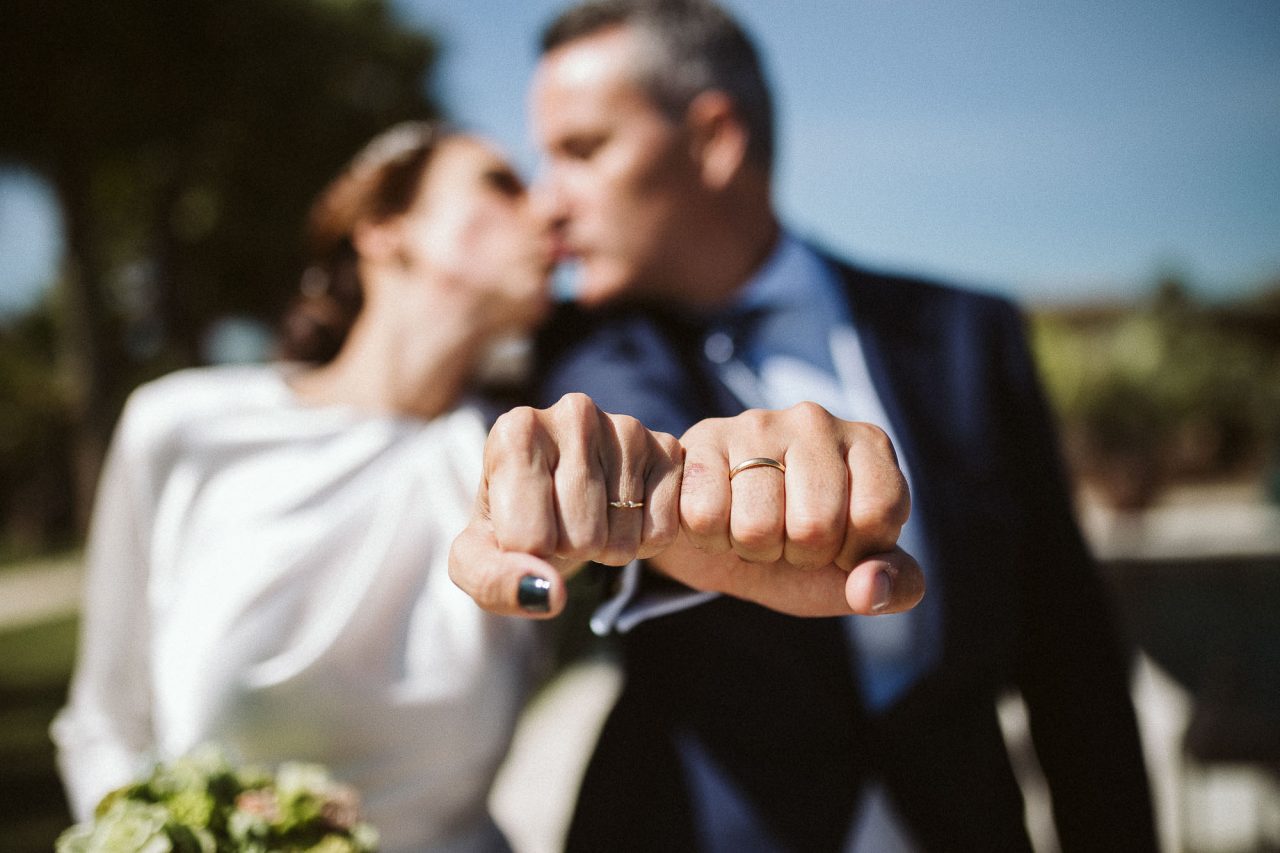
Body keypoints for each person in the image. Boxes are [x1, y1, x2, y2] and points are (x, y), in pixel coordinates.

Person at [51, 119, 923, 851]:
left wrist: (693, 511)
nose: (546, 203)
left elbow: (624, 481)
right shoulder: (184, 426)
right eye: (500, 184)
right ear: (384, 229)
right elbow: (103, 719)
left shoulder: (531, 455)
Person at [452, 1, 1159, 849]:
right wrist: (654, 492)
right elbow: (617, 429)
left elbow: (1067, 642)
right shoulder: (588, 348)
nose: (547, 202)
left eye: (583, 151)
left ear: (714, 138)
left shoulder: (966, 332)